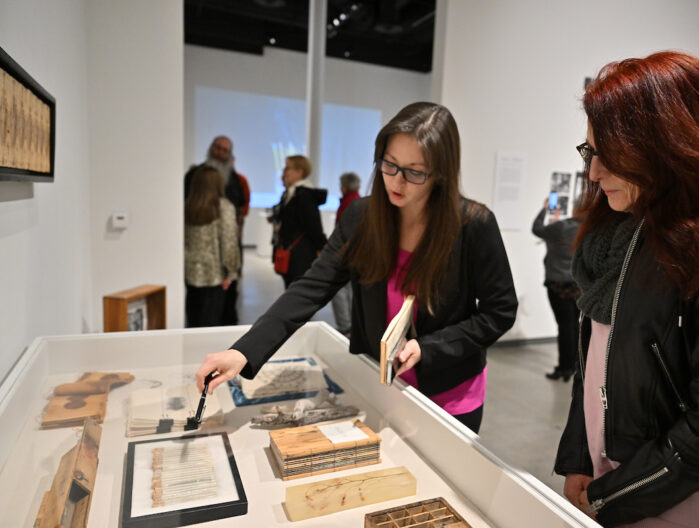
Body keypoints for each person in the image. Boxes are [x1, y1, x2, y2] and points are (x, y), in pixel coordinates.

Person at [553, 51, 699, 528]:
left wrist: (612, 497)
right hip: (610, 479)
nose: (593, 173)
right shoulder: (623, 230)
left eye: (610, 156)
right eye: (590, 151)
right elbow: (595, 358)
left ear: (669, 145)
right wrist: (580, 457)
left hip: (686, 499)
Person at [194, 102, 518, 433]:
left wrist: (430, 348)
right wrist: (244, 352)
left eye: (415, 172)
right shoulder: (363, 218)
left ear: (442, 173)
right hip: (380, 383)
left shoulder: (473, 225)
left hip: (449, 393)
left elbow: (500, 311)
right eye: (389, 165)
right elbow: (313, 286)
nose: (397, 181)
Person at [185, 135, 249, 325]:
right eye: (217, 148)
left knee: (196, 317)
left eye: (225, 150)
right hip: (215, 274)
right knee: (212, 319)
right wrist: (231, 272)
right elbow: (229, 242)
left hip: (192, 272)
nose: (220, 153)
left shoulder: (188, 205)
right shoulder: (223, 206)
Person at [531, 197, 581, 381]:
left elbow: (537, 229)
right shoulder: (588, 229)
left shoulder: (561, 227)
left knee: (564, 327)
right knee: (575, 325)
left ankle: (564, 368)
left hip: (557, 283)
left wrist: (545, 209)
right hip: (577, 284)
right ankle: (575, 366)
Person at [273, 155, 328, 288]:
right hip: (293, 252)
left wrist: (320, 247)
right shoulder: (291, 193)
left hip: (301, 254)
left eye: (288, 168)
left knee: (298, 290)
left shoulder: (304, 195)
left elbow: (313, 224)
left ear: (300, 171)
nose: (284, 172)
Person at [330, 172, 362, 335]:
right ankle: (350, 325)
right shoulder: (357, 201)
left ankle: (345, 326)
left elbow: (345, 231)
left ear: (344, 186)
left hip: (347, 253)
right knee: (349, 289)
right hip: (356, 254)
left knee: (340, 289)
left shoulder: (350, 204)